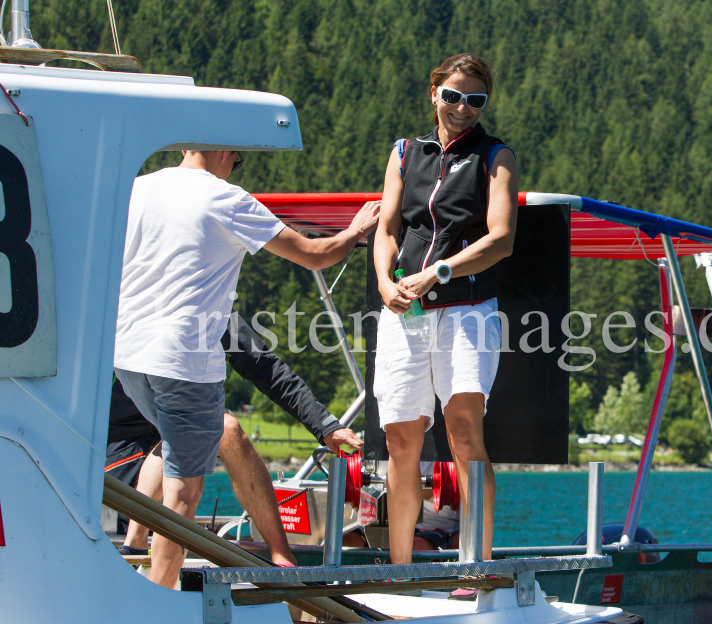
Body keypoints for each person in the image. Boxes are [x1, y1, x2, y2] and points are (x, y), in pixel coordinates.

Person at [114, 148, 379, 588]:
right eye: (236, 161)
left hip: (128, 356)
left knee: (175, 442)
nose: (232, 169)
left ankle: (135, 549)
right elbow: (315, 254)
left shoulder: (139, 188)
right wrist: (354, 231)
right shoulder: (225, 198)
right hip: (183, 359)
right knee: (184, 495)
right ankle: (155, 605)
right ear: (224, 152)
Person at [372, 53, 517, 564]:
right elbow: (388, 228)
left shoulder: (495, 155)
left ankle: (475, 565)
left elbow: (501, 239)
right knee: (401, 440)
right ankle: (399, 571)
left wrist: (440, 270)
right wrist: (384, 283)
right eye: (453, 95)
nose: (462, 107)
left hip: (467, 308)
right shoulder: (405, 152)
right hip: (404, 311)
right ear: (434, 92)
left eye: (475, 100)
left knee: (463, 432)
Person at [106, 312, 364, 566]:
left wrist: (326, 426)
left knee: (205, 430)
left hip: (167, 461)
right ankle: (282, 558)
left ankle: (281, 559)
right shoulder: (132, 307)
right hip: (122, 469)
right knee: (221, 428)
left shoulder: (209, 303)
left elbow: (266, 368)